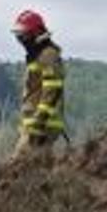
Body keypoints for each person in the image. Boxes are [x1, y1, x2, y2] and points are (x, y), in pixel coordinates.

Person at [11, 9, 66, 155]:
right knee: (39, 168)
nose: (20, 39)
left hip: (42, 126)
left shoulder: (48, 54)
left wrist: (39, 122)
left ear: (35, 33)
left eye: (23, 35)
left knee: (18, 165)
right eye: (18, 35)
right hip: (36, 125)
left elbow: (52, 91)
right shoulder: (38, 54)